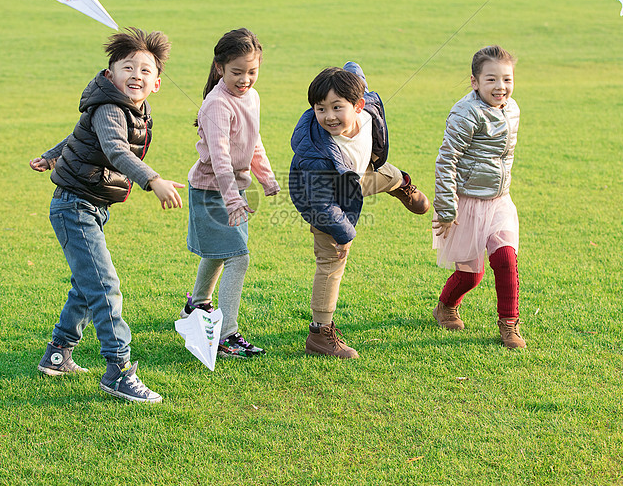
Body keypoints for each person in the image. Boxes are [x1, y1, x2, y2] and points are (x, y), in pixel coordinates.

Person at [30, 28, 185, 402]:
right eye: (127, 67)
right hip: (75, 206)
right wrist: (153, 180)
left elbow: (79, 135)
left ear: (157, 83)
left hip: (92, 204)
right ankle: (118, 369)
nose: (136, 75)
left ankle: (57, 353)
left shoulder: (134, 108)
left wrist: (52, 155)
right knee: (105, 286)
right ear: (109, 74)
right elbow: (115, 149)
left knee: (88, 284)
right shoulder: (111, 107)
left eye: (145, 70)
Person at [289, 63, 430, 358]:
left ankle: (402, 183)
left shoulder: (370, 107)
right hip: (324, 196)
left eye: (336, 107)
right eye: (320, 109)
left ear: (358, 105)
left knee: (386, 174)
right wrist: (344, 233)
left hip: (355, 172)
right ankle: (319, 334)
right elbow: (321, 204)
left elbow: (357, 74)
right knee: (332, 258)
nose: (328, 116)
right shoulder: (316, 155)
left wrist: (353, 70)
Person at [183, 28, 280, 358]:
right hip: (213, 191)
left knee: (221, 251)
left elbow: (254, 142)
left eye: (252, 72)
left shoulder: (252, 98)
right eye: (237, 72)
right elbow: (221, 158)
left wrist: (266, 178)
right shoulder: (216, 106)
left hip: (233, 190)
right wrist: (232, 197)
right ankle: (226, 335)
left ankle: (196, 306)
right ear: (219, 68)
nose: (245, 79)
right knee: (238, 257)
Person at [431, 45, 526, 348]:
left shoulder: (512, 109)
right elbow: (446, 160)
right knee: (472, 276)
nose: (501, 87)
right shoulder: (465, 112)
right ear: (474, 81)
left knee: (505, 259)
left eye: (507, 80)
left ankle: (509, 324)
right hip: (466, 203)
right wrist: (447, 209)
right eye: (491, 80)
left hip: (499, 201)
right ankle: (445, 306)